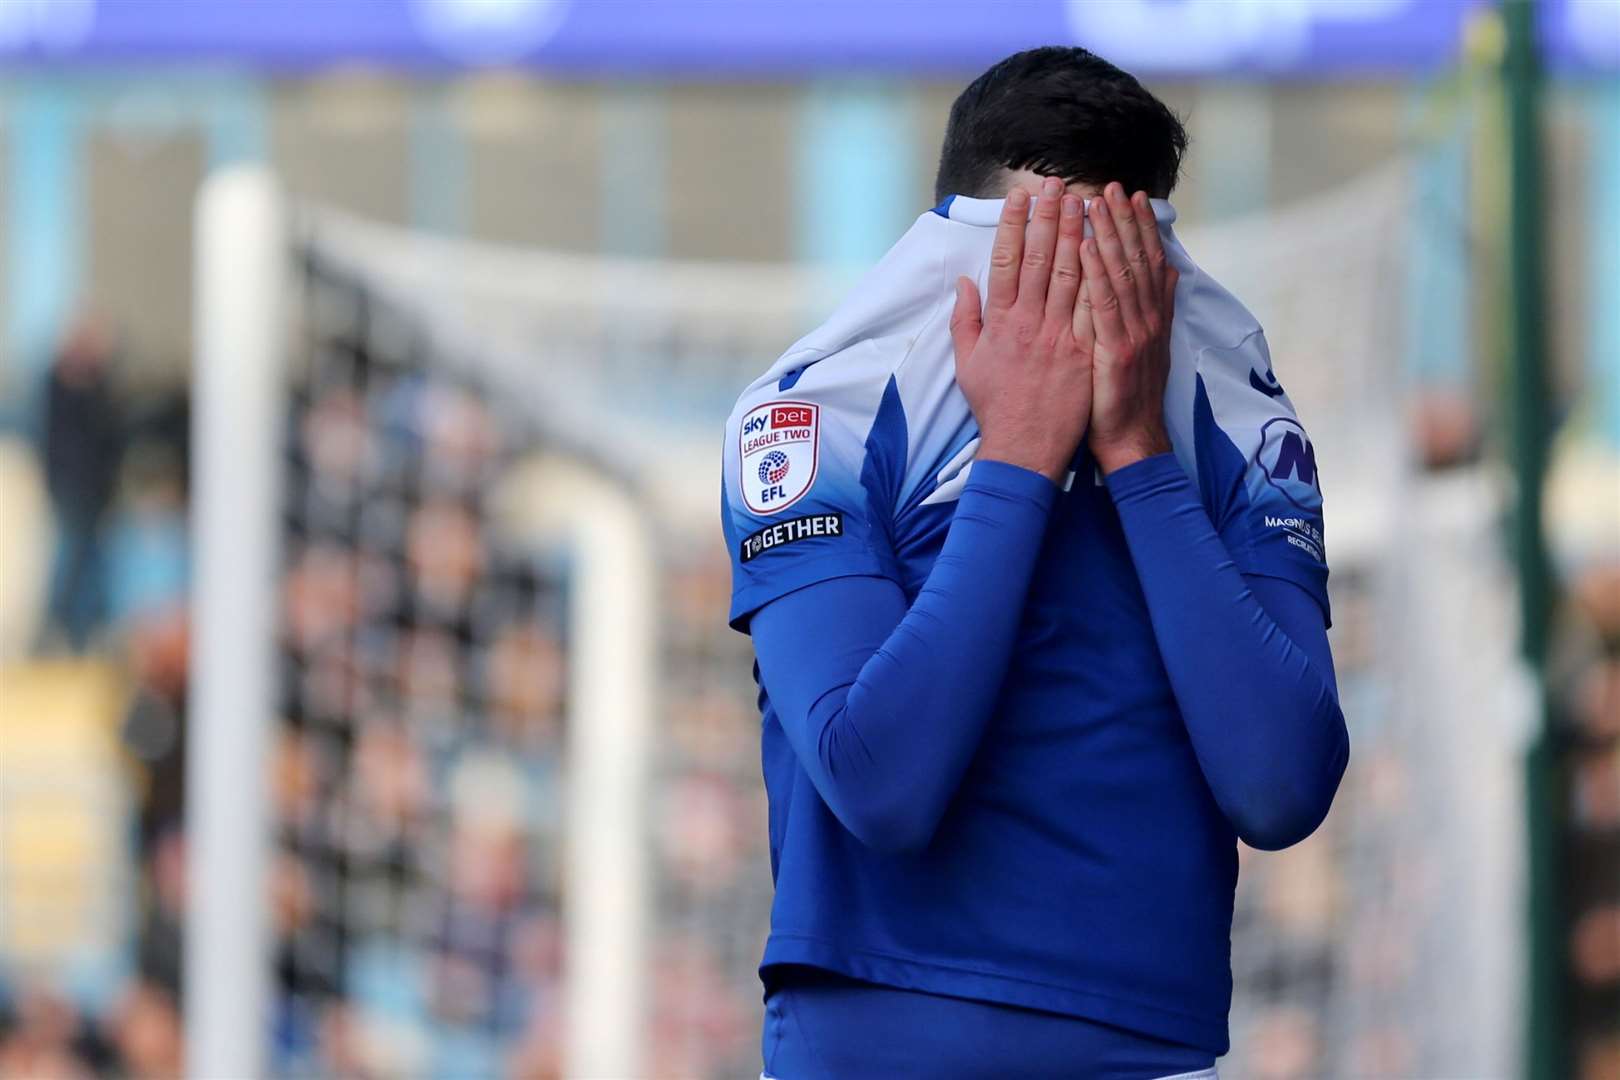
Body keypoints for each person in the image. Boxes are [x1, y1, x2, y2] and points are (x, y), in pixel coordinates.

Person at [720, 47, 1349, 1078]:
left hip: (1150, 1051)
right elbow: (880, 784)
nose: (1069, 314)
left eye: (1102, 273)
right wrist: (1017, 456)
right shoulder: (810, 411)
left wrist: (1139, 452)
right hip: (876, 1042)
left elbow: (1280, 787)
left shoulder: (1234, 414)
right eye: (1031, 271)